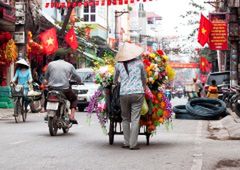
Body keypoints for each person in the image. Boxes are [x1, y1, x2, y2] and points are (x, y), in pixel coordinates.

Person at [113, 42, 146, 150]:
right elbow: (143, 78)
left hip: (124, 94)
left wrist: (117, 82)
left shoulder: (118, 64)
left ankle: (126, 142)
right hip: (137, 93)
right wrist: (144, 87)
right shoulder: (139, 63)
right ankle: (133, 144)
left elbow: (115, 80)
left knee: (125, 118)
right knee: (135, 118)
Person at [44, 54, 81, 124]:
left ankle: (47, 112)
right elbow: (77, 77)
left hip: (52, 88)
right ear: (65, 58)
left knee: (47, 97)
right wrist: (79, 81)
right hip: (64, 89)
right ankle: (72, 116)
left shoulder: (50, 64)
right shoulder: (69, 65)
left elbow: (46, 77)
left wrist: (46, 82)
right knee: (74, 99)